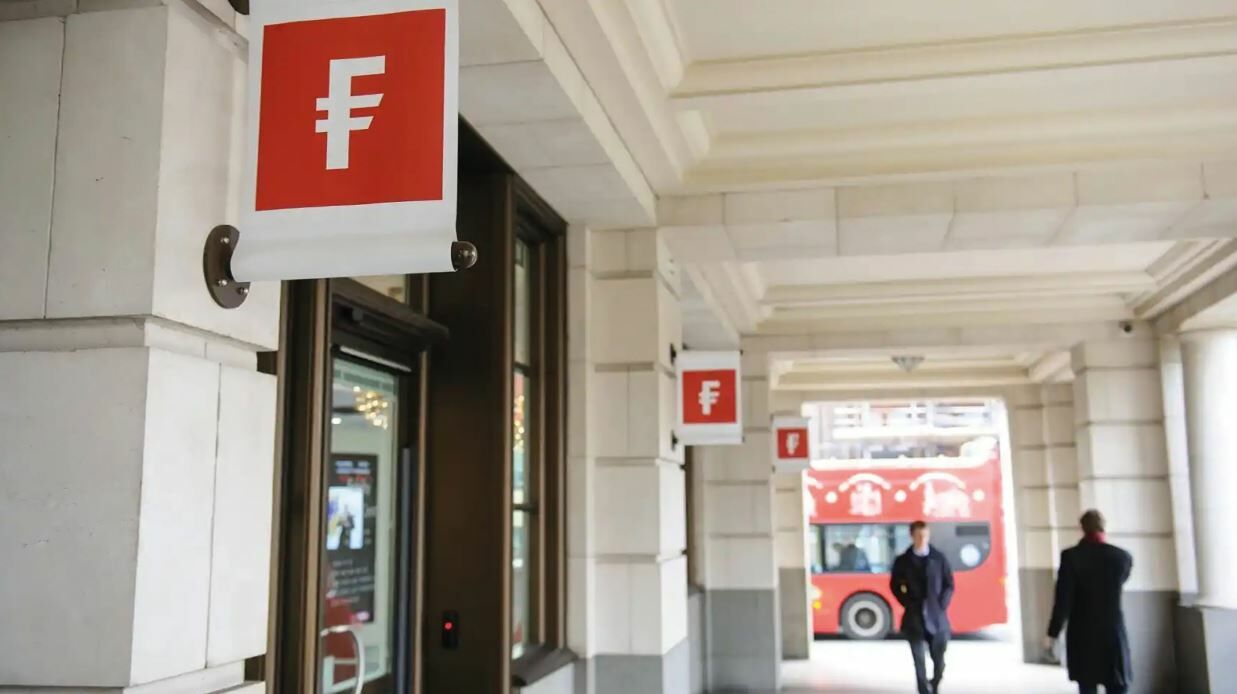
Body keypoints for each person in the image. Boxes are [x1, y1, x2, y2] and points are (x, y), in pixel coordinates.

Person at [1043, 509, 1134, 694]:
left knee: (1087, 684)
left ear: (1082, 528)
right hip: (1112, 631)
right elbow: (1121, 581)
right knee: (1116, 682)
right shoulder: (1122, 557)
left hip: (1082, 633)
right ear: (1104, 527)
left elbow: (1063, 601)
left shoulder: (1071, 557)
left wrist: (1052, 633)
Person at [891, 520, 955, 694]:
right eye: (918, 536)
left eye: (925, 535)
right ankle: (922, 690)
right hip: (914, 617)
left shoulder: (938, 558)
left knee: (939, 660)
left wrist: (942, 604)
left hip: (937, 616)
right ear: (912, 536)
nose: (922, 539)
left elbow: (949, 584)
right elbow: (895, 585)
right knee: (919, 659)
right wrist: (906, 602)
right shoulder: (903, 561)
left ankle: (935, 682)